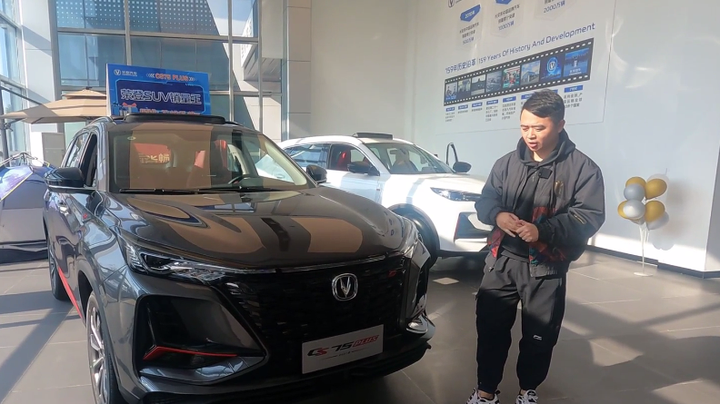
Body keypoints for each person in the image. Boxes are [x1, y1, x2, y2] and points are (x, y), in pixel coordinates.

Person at [466, 89, 605, 404]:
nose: (530, 135)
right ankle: (485, 391)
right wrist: (497, 215)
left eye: (539, 128)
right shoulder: (506, 163)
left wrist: (542, 231)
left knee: (540, 336)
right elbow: (486, 200)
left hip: (546, 266)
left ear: (560, 125)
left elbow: (588, 217)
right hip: (501, 261)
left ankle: (527, 390)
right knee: (490, 330)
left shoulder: (583, 169)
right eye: (525, 127)